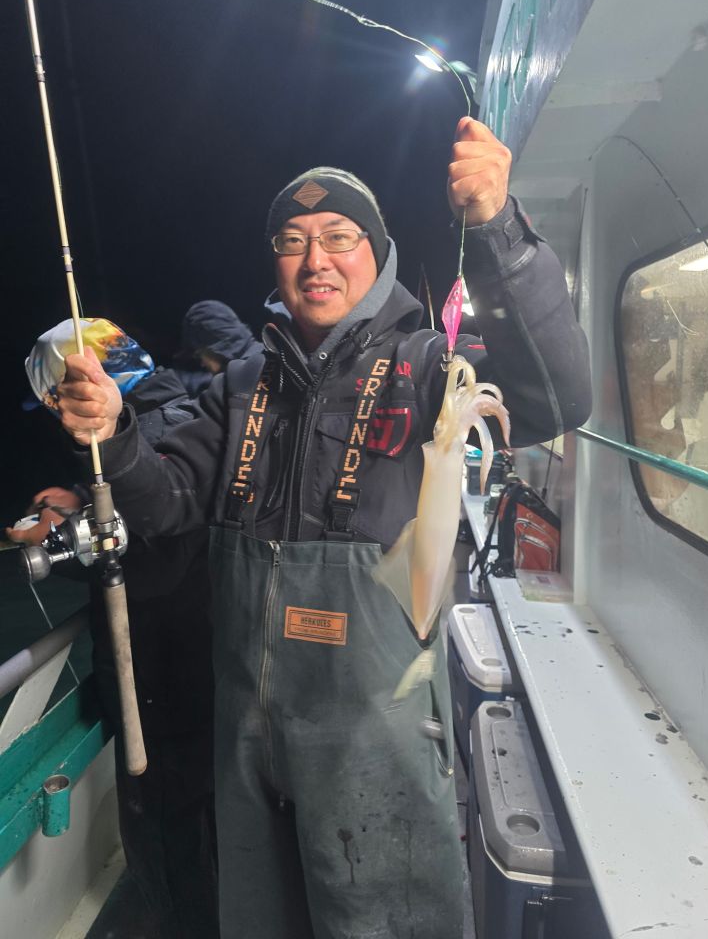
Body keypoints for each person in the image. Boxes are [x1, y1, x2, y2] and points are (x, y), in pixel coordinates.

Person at [57, 117, 592, 939]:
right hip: (246, 735)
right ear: (274, 261)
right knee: (258, 917)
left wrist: (498, 230)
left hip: (376, 731)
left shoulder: (427, 367)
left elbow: (557, 399)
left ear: (376, 251)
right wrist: (116, 435)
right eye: (293, 241)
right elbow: (163, 504)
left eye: (340, 236)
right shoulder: (241, 384)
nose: (316, 260)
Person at [10, 317, 220, 939]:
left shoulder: (138, 435)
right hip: (213, 676)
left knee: (167, 829)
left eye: (57, 399)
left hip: (163, 688)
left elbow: (146, 547)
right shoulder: (190, 409)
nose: (58, 414)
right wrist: (78, 502)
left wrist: (52, 537)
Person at [175, 300, 262, 396]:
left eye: (199, 355)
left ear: (212, 344)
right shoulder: (260, 358)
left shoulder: (248, 378)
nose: (202, 364)